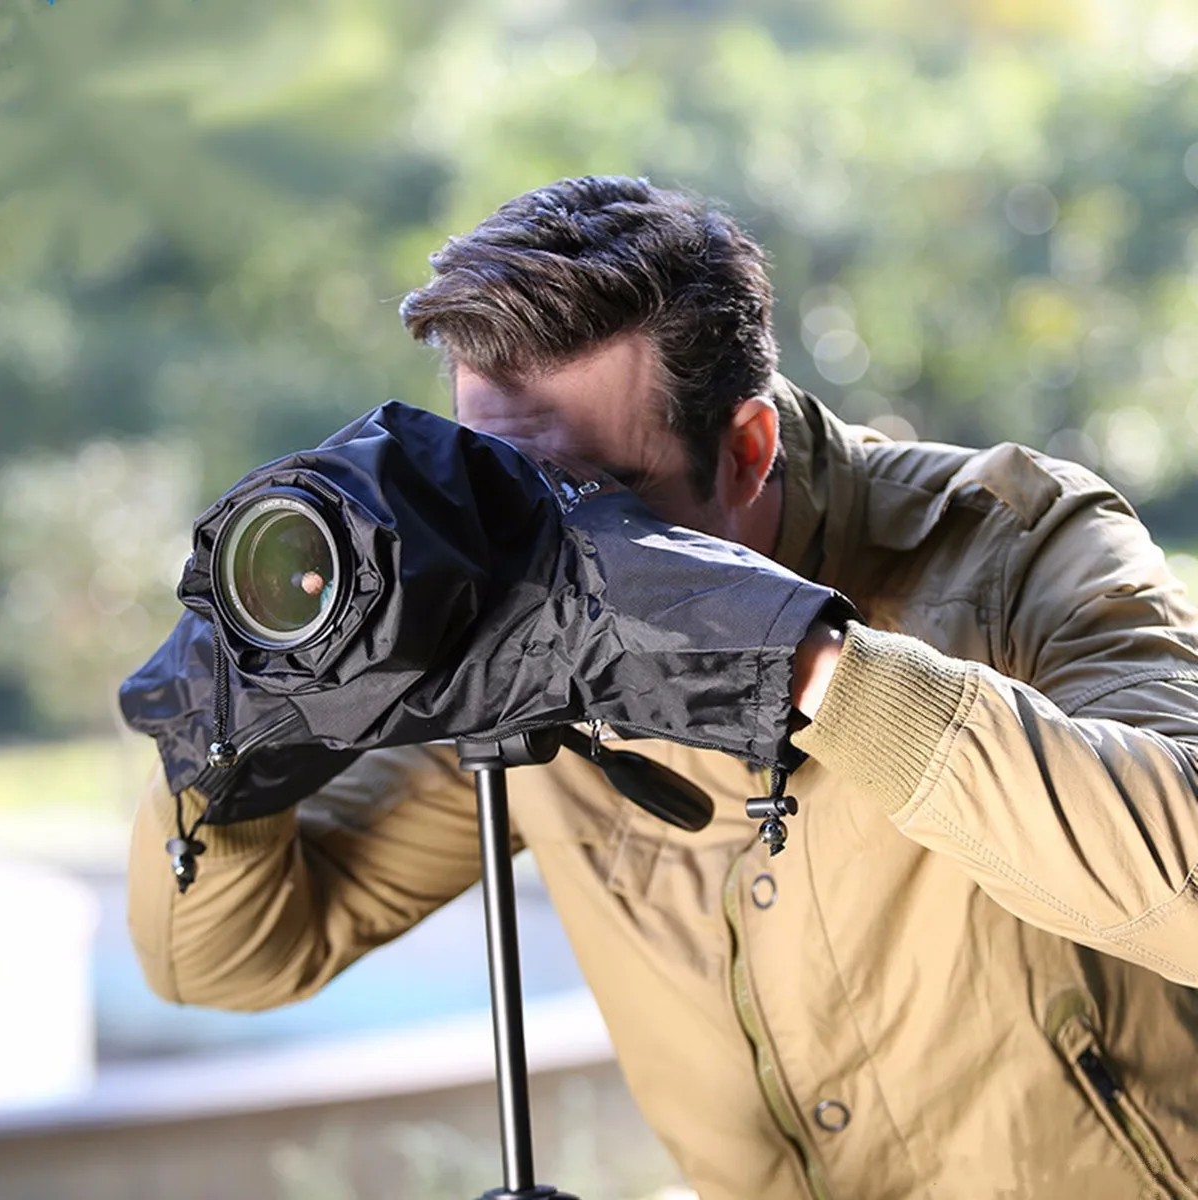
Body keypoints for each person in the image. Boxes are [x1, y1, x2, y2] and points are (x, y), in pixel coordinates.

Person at [125, 176, 1198, 1200]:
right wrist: (234, 733)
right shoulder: (509, 626)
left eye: (592, 499)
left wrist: (801, 662)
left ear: (747, 450)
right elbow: (226, 965)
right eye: (503, 482)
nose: (542, 546)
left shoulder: (1015, 546)